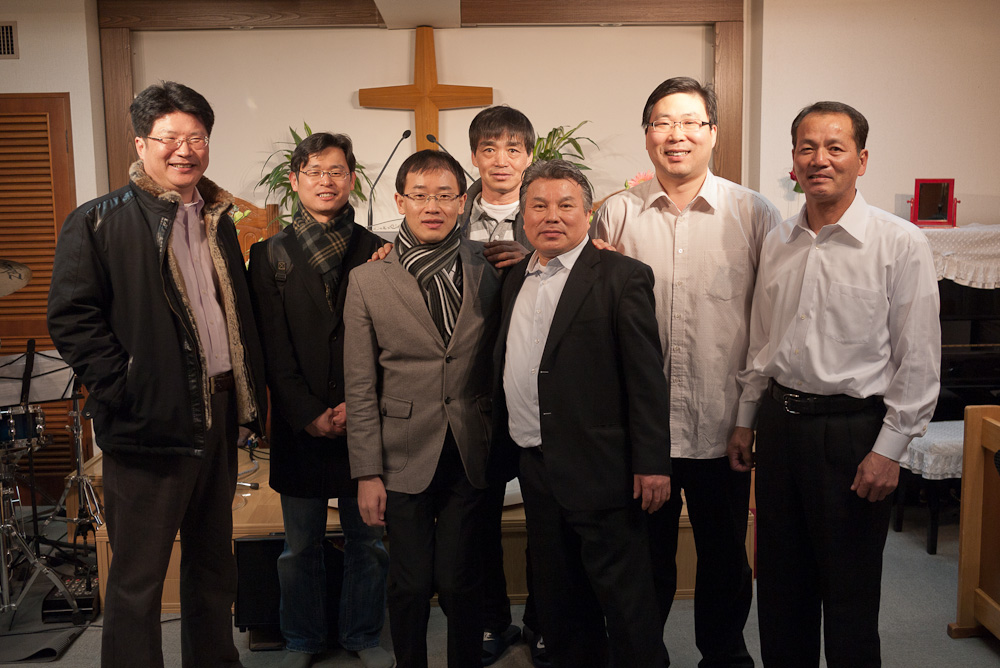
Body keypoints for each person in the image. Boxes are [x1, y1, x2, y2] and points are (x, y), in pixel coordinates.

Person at [47, 81, 267, 668]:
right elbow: (72, 317)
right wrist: (126, 389)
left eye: (197, 137)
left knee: (212, 566)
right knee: (138, 578)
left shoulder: (220, 220)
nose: (184, 150)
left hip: (217, 410)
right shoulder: (98, 220)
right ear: (141, 143)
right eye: (170, 137)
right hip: (146, 419)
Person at [731, 101, 940, 667]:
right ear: (793, 159)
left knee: (849, 597)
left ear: (861, 160)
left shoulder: (900, 243)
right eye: (807, 147)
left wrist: (889, 451)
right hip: (780, 426)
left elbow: (919, 360)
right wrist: (747, 420)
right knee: (780, 590)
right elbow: (762, 341)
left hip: (853, 434)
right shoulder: (778, 240)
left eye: (834, 148)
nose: (819, 159)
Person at [592, 76, 780, 667]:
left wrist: (748, 418)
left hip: (723, 423)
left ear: (713, 132)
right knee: (643, 559)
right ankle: (642, 657)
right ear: (647, 134)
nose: (677, 135)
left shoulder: (753, 213)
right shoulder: (616, 214)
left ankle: (724, 656)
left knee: (724, 556)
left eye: (691, 122)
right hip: (641, 430)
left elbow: (769, 325)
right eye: (663, 123)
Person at [490, 159, 671, 668]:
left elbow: (645, 378)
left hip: (602, 468)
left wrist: (652, 463)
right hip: (536, 464)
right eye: (539, 205)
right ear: (523, 216)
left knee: (626, 603)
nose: (552, 216)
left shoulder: (621, 276)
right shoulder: (514, 278)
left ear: (587, 214)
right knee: (560, 600)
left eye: (565, 205)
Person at [344, 150, 500, 668]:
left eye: (445, 195)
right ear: (399, 201)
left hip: (470, 447)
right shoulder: (368, 280)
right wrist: (366, 472)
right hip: (401, 452)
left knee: (460, 580)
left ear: (462, 202)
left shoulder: (492, 266)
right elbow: (360, 385)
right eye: (420, 195)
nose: (432, 206)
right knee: (409, 584)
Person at [247, 133, 393, 668]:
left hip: (363, 420)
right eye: (314, 172)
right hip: (299, 424)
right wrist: (307, 412)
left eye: (336, 171)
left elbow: (389, 339)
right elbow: (270, 344)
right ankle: (302, 639)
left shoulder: (378, 249)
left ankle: (363, 634)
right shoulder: (268, 254)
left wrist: (361, 404)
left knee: (369, 542)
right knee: (299, 546)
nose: (325, 181)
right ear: (294, 180)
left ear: (351, 178)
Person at [459, 104, 543, 667]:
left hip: (535, 386)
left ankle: (543, 622)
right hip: (472, 390)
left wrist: (533, 256)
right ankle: (490, 619)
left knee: (546, 516)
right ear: (474, 157)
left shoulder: (547, 211)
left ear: (528, 156)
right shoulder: (451, 211)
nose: (501, 160)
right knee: (477, 515)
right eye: (489, 149)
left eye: (513, 149)